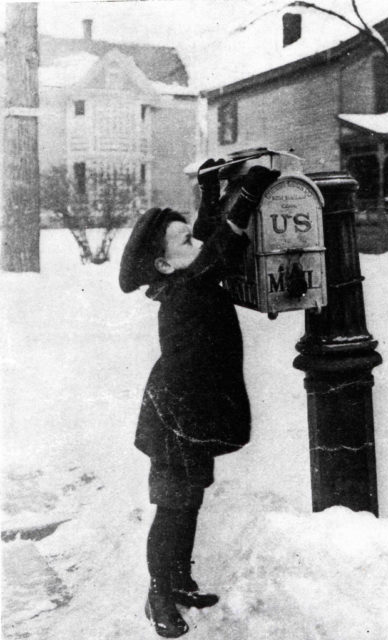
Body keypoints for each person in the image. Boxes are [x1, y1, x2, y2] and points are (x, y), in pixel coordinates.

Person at [119, 159, 280, 637]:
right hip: (175, 418)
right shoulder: (184, 289)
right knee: (172, 508)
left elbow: (206, 243)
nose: (196, 243)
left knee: (187, 503)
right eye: (183, 242)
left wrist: (211, 192)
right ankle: (158, 596)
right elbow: (218, 248)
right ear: (165, 264)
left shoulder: (188, 276)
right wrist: (247, 194)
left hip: (187, 410)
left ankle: (178, 579)